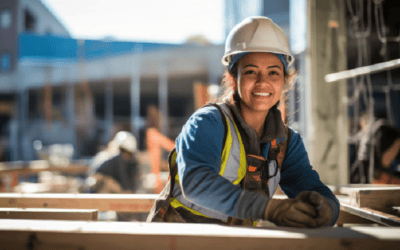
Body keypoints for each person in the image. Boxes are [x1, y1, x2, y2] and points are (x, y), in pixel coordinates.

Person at [147, 16, 340, 227]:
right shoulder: (208, 123)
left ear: (285, 80)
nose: (262, 82)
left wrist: (327, 210)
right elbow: (196, 182)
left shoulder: (287, 142)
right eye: (250, 72)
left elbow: (313, 188)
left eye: (273, 72)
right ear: (233, 78)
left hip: (234, 242)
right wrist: (268, 209)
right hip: (176, 241)